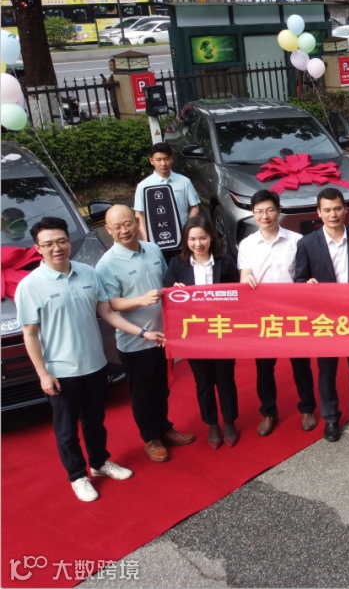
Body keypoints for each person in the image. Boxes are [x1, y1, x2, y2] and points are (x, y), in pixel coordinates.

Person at [16, 217, 162, 502]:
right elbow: (30, 334)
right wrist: (43, 374)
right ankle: (77, 476)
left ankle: (99, 463)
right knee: (67, 430)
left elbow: (107, 313)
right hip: (61, 371)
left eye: (61, 241)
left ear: (69, 242)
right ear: (38, 249)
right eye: (48, 244)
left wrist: (143, 333)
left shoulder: (88, 273)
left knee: (95, 420)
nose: (57, 248)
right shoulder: (30, 286)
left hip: (95, 364)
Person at [96, 205, 195, 462]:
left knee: (162, 388)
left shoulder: (152, 249)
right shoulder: (106, 265)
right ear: (108, 230)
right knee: (142, 394)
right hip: (135, 343)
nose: (124, 230)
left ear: (137, 222)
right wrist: (141, 300)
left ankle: (164, 427)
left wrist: (176, 287)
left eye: (128, 223)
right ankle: (151, 438)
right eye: (117, 227)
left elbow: (165, 282)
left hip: (163, 336)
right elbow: (111, 304)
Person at [293, 187, 349, 442]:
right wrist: (305, 284)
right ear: (319, 213)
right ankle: (331, 418)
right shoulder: (307, 243)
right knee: (327, 370)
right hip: (324, 318)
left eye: (338, 208)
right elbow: (299, 279)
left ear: (345, 209)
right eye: (327, 210)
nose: (333, 214)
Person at [237, 189, 317, 436]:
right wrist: (245, 280)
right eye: (259, 211)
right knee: (264, 368)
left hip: (294, 312)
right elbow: (244, 275)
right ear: (253, 214)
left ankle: (307, 408)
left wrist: (309, 282)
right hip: (263, 314)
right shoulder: (247, 244)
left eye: (270, 210)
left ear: (279, 211)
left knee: (300, 364)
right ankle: (268, 412)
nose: (265, 216)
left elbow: (304, 274)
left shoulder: (297, 240)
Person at [164, 216, 241, 449]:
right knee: (203, 382)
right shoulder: (177, 265)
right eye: (193, 239)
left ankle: (229, 421)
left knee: (225, 379)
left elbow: (238, 295)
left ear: (211, 238)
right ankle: (212, 424)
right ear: (186, 240)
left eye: (203, 238)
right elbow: (166, 292)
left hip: (222, 331)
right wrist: (174, 290)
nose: (198, 244)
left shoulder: (225, 261)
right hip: (194, 335)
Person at [133, 142, 200, 252]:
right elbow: (139, 213)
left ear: (172, 159)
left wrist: (188, 228)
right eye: (158, 160)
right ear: (151, 161)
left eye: (166, 159)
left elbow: (194, 206)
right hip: (155, 241)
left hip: (183, 239)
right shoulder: (144, 186)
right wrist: (146, 238)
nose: (163, 163)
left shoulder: (184, 181)